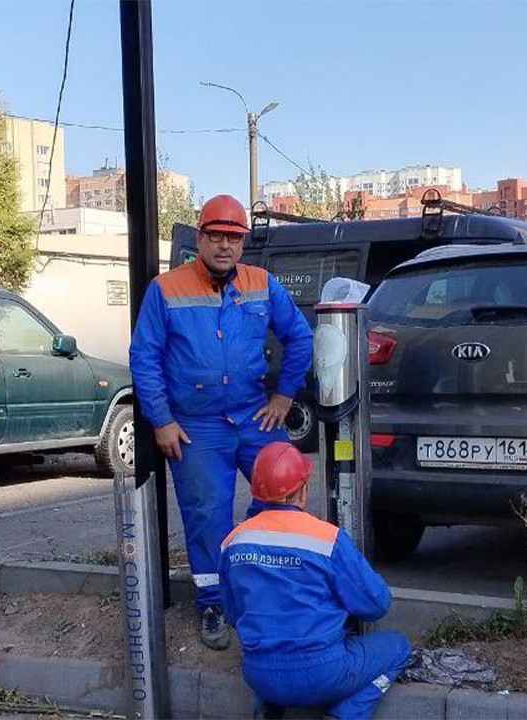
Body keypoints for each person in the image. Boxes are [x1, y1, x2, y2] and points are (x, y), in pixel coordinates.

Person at [129, 194, 313, 651]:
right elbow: (144, 356)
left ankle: (281, 589)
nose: (225, 246)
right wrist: (162, 419)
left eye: (234, 238)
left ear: (243, 242)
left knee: (286, 497)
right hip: (196, 428)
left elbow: (300, 336)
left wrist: (284, 395)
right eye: (216, 236)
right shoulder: (166, 288)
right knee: (207, 517)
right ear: (200, 237)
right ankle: (213, 602)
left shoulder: (262, 284)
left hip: (254, 417)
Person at [219, 442, 411, 720]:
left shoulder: (233, 542)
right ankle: (343, 715)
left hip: (259, 673)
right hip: (323, 672)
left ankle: (268, 711)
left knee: (267, 650)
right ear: (303, 489)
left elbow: (234, 614)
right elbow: (376, 603)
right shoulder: (326, 539)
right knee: (398, 647)